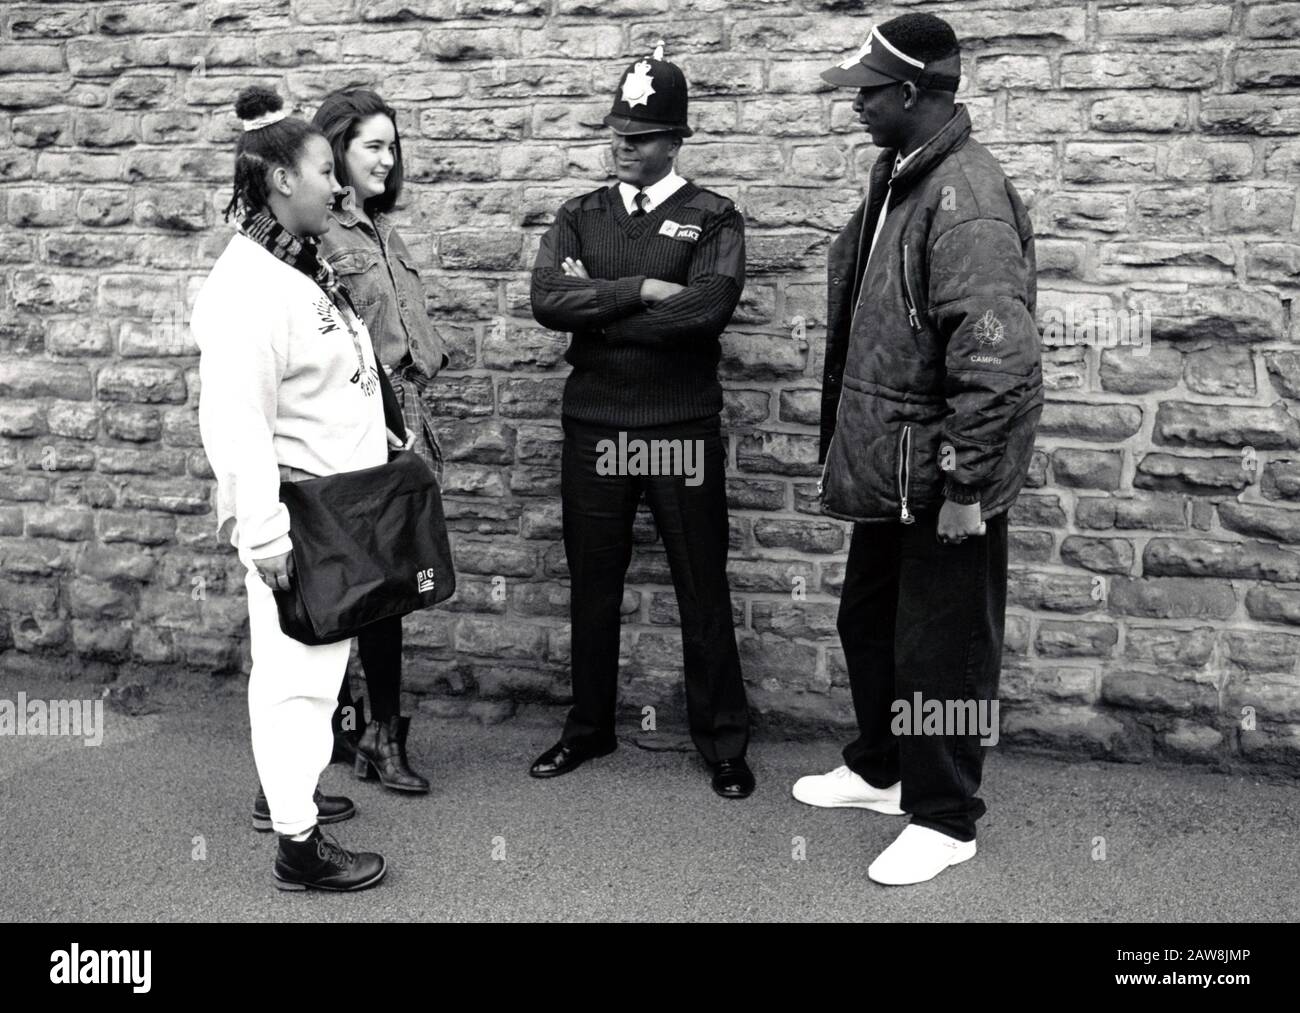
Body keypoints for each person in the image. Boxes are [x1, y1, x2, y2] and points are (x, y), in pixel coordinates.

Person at [793, 14, 1043, 884]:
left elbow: (997, 352)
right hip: (891, 469)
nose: (855, 103)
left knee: (943, 649)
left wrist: (967, 483)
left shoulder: (964, 197)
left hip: (939, 479)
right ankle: (882, 767)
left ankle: (945, 816)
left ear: (911, 93)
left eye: (866, 90)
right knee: (870, 623)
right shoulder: (900, 177)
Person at [528, 44, 755, 799]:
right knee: (593, 583)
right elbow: (546, 301)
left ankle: (723, 740)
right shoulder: (579, 213)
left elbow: (707, 311)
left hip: (680, 430)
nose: (625, 147)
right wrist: (645, 290)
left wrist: (602, 307)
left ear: (676, 138)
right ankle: (588, 727)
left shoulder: (712, 215)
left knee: (701, 585)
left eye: (643, 136)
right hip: (597, 428)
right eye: (618, 133)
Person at [193, 84, 398, 891]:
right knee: (294, 677)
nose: (338, 185)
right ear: (281, 180)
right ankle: (297, 846)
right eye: (323, 169)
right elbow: (236, 420)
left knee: (315, 668)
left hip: (331, 507)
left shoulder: (291, 261)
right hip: (297, 515)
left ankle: (292, 795)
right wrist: (266, 533)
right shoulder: (246, 287)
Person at [310, 88, 449, 795]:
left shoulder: (382, 228)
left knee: (389, 582)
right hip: (353, 427)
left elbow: (409, 336)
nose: (388, 158)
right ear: (336, 148)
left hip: (404, 421)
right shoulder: (318, 234)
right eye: (373, 145)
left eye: (393, 146)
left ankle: (372, 730)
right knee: (355, 583)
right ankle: (357, 730)